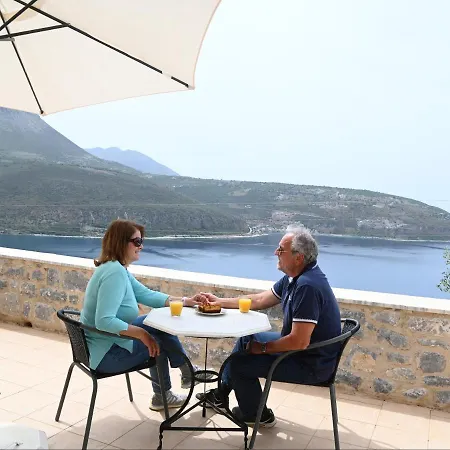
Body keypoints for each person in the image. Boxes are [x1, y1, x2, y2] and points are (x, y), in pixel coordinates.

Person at [197, 226, 341, 427]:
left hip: (310, 362)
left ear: (298, 257)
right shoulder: (294, 278)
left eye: (281, 250)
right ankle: (221, 395)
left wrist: (263, 348)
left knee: (239, 365)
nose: (275, 253)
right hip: (303, 352)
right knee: (247, 339)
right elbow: (259, 300)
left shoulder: (307, 286)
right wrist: (219, 302)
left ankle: (257, 415)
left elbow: (299, 341)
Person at [81, 219, 212, 411]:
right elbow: (104, 321)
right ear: (121, 242)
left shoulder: (116, 268)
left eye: (141, 241)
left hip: (105, 344)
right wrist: (142, 334)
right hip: (106, 355)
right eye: (137, 241)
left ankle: (186, 373)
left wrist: (186, 301)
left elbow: (146, 295)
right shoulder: (114, 273)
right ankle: (166, 392)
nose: (141, 246)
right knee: (158, 342)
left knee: (159, 322)